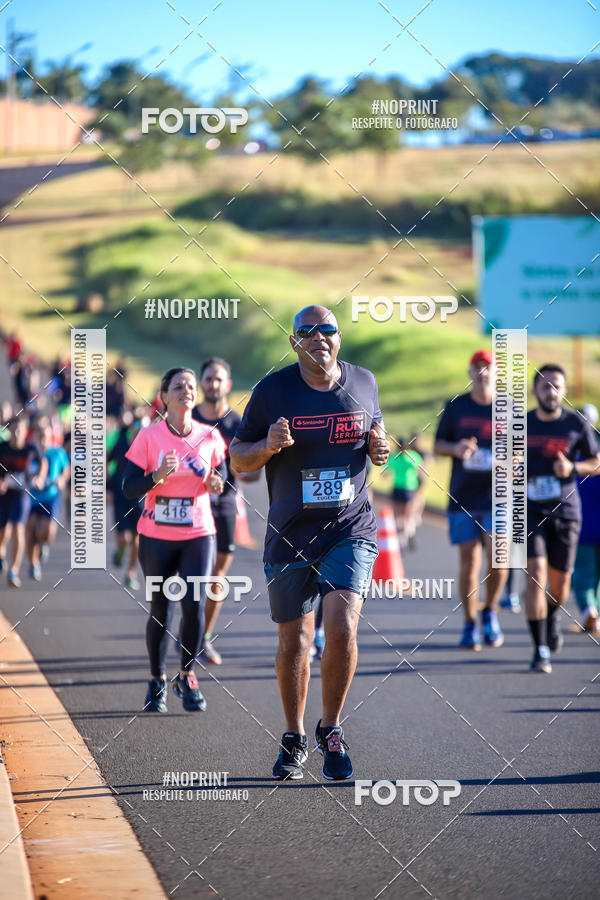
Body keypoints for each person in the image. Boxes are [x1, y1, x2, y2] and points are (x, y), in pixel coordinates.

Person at [230, 305, 389, 781]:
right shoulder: (272, 391)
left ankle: (332, 728)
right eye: (307, 331)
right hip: (290, 533)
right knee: (294, 640)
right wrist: (267, 447)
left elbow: (376, 436)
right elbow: (239, 459)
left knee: (341, 627)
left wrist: (380, 446)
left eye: (328, 330)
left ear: (339, 338)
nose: (319, 337)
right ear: (294, 341)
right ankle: (295, 736)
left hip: (350, 527)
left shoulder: (363, 382)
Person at [122, 367, 227, 712]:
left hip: (199, 532)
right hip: (156, 535)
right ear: (164, 396)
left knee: (193, 604)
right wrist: (156, 476)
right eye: (179, 386)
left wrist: (216, 483)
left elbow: (221, 476)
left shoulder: (209, 436)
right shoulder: (149, 437)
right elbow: (128, 486)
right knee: (160, 609)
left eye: (191, 386)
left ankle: (187, 675)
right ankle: (156, 680)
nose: (187, 390)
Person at [525, 366, 600, 673]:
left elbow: (596, 462)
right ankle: (541, 649)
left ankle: (551, 616)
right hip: (527, 511)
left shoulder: (576, 423)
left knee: (561, 588)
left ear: (564, 392)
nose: (550, 391)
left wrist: (572, 468)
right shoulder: (521, 424)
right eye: (544, 386)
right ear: (535, 392)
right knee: (536, 574)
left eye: (556, 386)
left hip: (566, 512)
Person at [434, 349, 506, 651]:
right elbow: (438, 445)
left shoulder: (509, 409)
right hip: (463, 497)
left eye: (487, 367)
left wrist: (509, 458)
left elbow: (523, 451)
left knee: (499, 559)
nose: (482, 373)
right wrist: (458, 448)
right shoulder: (456, 407)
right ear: (470, 373)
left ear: (496, 373)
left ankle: (489, 610)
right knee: (469, 561)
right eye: (477, 367)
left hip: (499, 496)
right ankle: (469, 623)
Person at [192, 357, 259, 664]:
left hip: (226, 505)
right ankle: (186, 629)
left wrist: (245, 469)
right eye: (208, 379)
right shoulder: (187, 419)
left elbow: (254, 472)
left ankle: (203, 637)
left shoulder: (238, 424)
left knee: (217, 575)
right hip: (190, 505)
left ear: (228, 385)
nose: (213, 384)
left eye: (219, 379)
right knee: (191, 573)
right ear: (200, 383)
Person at [0, 418, 46, 587]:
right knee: (3, 532)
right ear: (10, 430)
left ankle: (14, 571)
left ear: (26, 431)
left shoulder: (30, 447)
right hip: (4, 495)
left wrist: (40, 477)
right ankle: (2, 554)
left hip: (21, 494)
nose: (17, 432)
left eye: (21, 429)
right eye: (14, 429)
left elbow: (43, 462)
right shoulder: (3, 447)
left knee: (18, 529)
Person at [26, 420, 69, 580]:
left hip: (50, 497)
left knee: (47, 533)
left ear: (51, 437)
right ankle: (33, 563)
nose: (43, 440)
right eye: (40, 436)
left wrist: (62, 479)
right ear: (36, 437)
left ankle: (44, 544)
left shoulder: (57, 453)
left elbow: (66, 470)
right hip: (31, 498)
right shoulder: (30, 453)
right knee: (30, 529)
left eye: (46, 437)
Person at [109, 412, 147, 591]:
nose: (139, 434)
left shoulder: (150, 449)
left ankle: (131, 573)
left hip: (140, 501)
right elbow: (107, 462)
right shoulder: (122, 443)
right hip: (120, 497)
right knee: (124, 538)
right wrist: (107, 488)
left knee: (137, 541)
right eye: (137, 430)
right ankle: (120, 550)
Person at [572, 404, 600, 634]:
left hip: (580, 524)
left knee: (582, 572)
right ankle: (595, 613)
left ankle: (588, 609)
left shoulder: (571, 451)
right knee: (596, 573)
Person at [385, 436, 424, 550]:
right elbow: (421, 473)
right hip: (410, 489)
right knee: (408, 516)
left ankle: (401, 540)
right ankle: (409, 535)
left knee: (398, 515)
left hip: (397, 488)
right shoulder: (413, 456)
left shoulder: (394, 457)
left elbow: (385, 473)